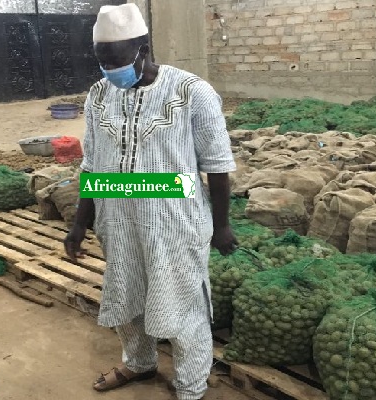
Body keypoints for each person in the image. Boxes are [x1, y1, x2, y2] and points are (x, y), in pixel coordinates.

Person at [64, 4, 238, 400]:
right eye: (102, 61)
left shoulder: (192, 92)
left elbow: (217, 166)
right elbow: (93, 163)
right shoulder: (98, 94)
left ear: (143, 48)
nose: (110, 69)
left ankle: (191, 385)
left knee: (183, 304)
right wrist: (80, 222)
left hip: (175, 220)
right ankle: (139, 363)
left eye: (117, 59)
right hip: (118, 218)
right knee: (127, 293)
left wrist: (223, 224)